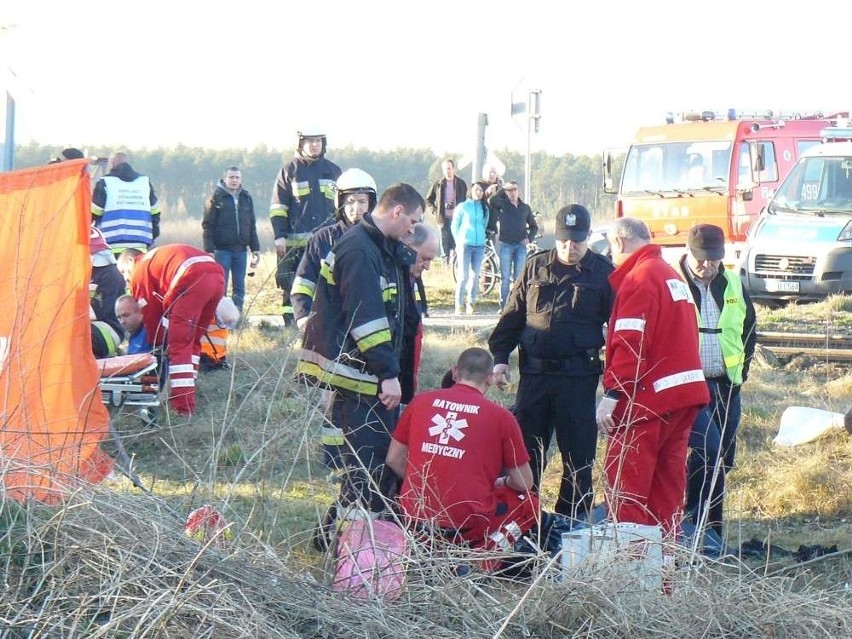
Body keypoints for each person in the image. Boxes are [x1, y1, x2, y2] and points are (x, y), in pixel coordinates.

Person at [296, 183, 423, 542]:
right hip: (357, 379)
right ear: (397, 211)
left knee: (367, 470)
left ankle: (337, 542)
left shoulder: (380, 249)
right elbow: (367, 320)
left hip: (364, 378)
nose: (412, 230)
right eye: (412, 221)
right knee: (364, 470)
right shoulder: (360, 249)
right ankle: (352, 557)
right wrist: (389, 374)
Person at [489, 204, 614, 519]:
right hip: (535, 376)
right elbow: (512, 316)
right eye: (564, 241)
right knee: (526, 453)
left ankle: (570, 522)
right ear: (555, 237)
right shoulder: (535, 266)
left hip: (578, 378)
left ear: (587, 238)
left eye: (577, 241)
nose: (570, 248)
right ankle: (524, 519)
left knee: (578, 456)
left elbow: (619, 329)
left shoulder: (603, 273)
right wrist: (500, 359)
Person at [595, 217, 709, 538]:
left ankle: (629, 574)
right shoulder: (671, 276)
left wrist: (614, 395)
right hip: (683, 398)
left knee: (625, 491)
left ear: (619, 243)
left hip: (646, 402)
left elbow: (630, 340)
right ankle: (664, 577)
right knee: (666, 495)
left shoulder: (639, 277)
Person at [387, 347, 539, 569]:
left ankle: (425, 552)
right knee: (528, 504)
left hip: (415, 521)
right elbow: (524, 482)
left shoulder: (420, 402)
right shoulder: (501, 417)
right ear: (489, 378)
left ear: (455, 371)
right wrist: (501, 482)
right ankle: (480, 561)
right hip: (466, 527)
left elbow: (393, 459)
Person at [676, 224, 756, 537]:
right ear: (688, 250)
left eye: (714, 259)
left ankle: (713, 531)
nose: (708, 264)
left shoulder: (732, 282)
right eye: (702, 258)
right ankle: (693, 525)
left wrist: (742, 372)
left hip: (727, 385)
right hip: (690, 386)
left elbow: (750, 328)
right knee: (704, 452)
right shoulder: (674, 282)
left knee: (721, 458)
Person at [117, 244, 225, 416]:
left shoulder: (139, 270)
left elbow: (150, 312)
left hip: (191, 278)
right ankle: (188, 387)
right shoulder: (156, 260)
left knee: (179, 347)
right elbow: (165, 308)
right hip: (216, 275)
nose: (126, 279)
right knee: (193, 342)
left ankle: (182, 408)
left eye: (124, 272)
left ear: (131, 260)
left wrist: (157, 343)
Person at [269, 126, 342, 327]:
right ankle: (291, 325)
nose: (315, 144)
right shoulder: (289, 171)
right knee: (291, 283)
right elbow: (278, 208)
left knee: (325, 283)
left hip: (327, 242)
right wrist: (279, 236)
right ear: (301, 144)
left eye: (318, 141)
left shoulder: (333, 171)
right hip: (294, 243)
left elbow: (343, 207)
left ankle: (321, 324)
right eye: (310, 141)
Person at [291, 168, 378, 329]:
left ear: (371, 204)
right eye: (350, 202)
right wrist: (302, 316)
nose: (356, 208)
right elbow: (303, 282)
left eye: (362, 202)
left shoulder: (379, 239)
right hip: (330, 326)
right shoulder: (323, 239)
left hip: (370, 324)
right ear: (340, 203)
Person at [202, 166, 260, 314]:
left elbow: (251, 225)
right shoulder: (215, 198)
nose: (234, 180)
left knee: (239, 287)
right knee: (221, 286)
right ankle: (220, 318)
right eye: (231, 177)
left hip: (241, 250)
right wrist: (209, 250)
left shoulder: (246, 198)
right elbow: (208, 226)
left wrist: (255, 249)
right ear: (224, 179)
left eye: (237, 177)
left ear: (241, 179)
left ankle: (237, 317)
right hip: (222, 251)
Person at [92, 152, 161, 253]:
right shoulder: (144, 183)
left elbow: (94, 212)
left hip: (110, 245)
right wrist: (152, 235)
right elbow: (155, 212)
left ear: (111, 164)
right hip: (140, 245)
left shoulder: (105, 183)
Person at [487, 180, 539, 309]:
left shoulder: (525, 207)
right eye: (509, 190)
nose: (512, 192)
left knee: (518, 278)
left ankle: (516, 306)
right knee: (505, 279)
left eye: (514, 189)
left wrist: (529, 238)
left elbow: (534, 226)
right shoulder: (502, 205)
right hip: (506, 245)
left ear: (518, 190)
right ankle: (503, 306)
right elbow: (491, 201)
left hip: (521, 246)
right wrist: (501, 189)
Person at [451, 182, 489, 315]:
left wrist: (481, 238)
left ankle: (471, 302)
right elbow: (455, 226)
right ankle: (459, 304)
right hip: (465, 244)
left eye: (480, 190)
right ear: (471, 191)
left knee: (475, 275)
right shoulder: (463, 207)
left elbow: (484, 224)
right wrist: (458, 242)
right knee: (463, 275)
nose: (478, 192)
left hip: (479, 245)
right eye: (476, 190)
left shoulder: (484, 208)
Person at [89, 227, 126, 359]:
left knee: (74, 335)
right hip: (87, 326)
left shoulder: (109, 275)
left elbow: (97, 313)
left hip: (108, 329)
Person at [425, 158, 467, 265]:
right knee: (445, 243)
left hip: (457, 218)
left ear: (454, 169)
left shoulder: (461, 184)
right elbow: (428, 200)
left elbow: (466, 201)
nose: (447, 171)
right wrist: (435, 211)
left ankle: (456, 264)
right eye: (445, 169)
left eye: (449, 168)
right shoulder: (438, 184)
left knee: (456, 242)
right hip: (443, 219)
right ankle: (446, 265)